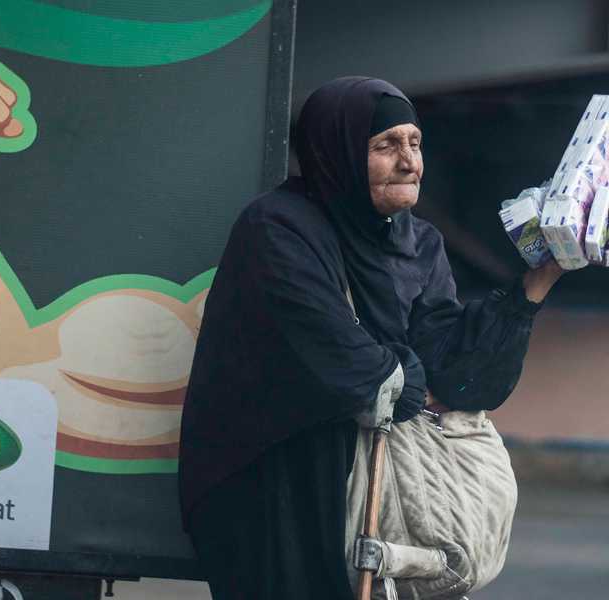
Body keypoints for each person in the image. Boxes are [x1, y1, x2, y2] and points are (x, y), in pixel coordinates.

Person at [177, 77, 563, 600]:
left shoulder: (419, 242)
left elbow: (460, 378)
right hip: (279, 488)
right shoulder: (278, 229)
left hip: (373, 496)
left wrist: (541, 277)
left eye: (415, 143)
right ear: (334, 152)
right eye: (386, 145)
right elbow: (347, 363)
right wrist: (412, 379)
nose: (409, 161)